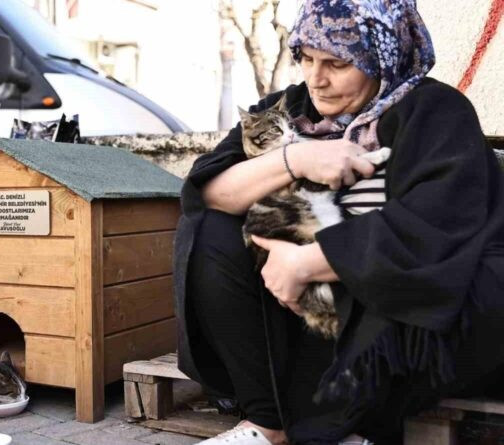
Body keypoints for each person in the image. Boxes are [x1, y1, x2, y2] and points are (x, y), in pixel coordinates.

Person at [173, 1, 504, 444]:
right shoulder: (289, 107)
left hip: (390, 307)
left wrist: (307, 263)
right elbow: (209, 192)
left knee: (453, 281)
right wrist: (299, 157)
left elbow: (437, 226)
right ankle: (265, 423)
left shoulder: (436, 111)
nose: (316, 78)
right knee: (208, 232)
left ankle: (350, 426)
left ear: (382, 57)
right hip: (299, 307)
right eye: (306, 58)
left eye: (338, 63)